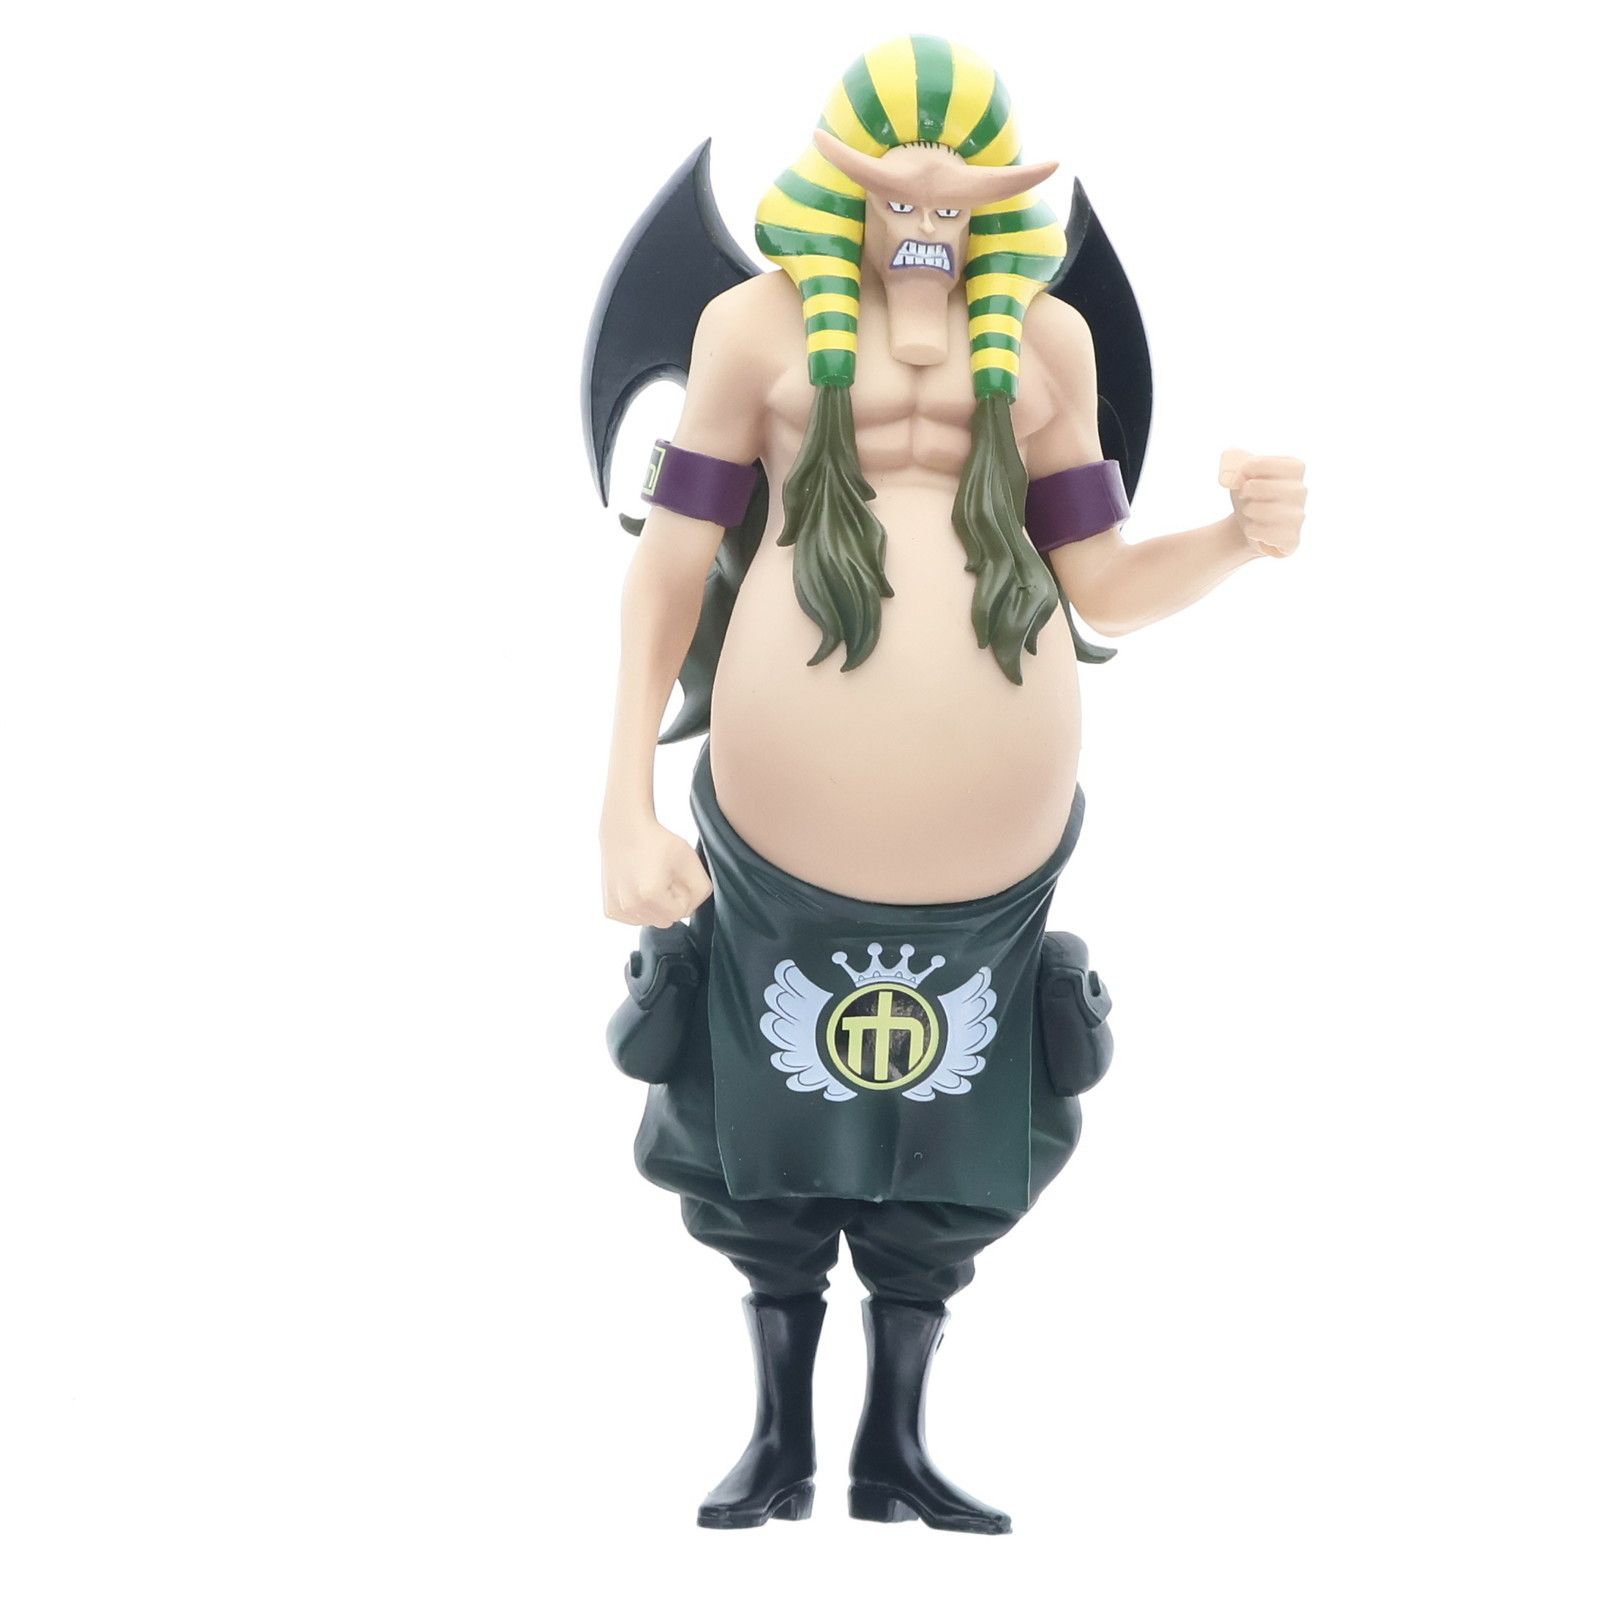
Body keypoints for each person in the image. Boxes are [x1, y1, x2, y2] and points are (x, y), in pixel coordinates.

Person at [598, 36, 1306, 1533]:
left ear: (996, 198)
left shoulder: (1049, 348)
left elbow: (1099, 582)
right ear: (836, 180)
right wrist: (621, 803)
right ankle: (778, 1440)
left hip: (997, 869)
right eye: (891, 183)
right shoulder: (749, 331)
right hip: (774, 848)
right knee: (761, 1145)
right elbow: (667, 566)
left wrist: (1235, 541)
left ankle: (895, 1449)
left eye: (953, 189)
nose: (920, 212)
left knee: (952, 1163)